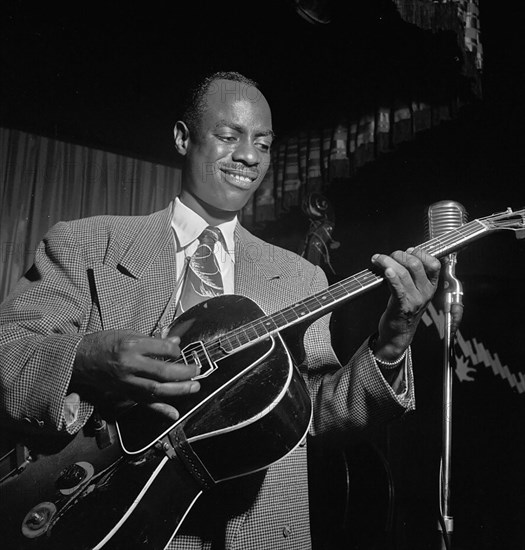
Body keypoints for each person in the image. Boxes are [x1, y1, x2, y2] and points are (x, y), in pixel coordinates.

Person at [0, 71, 440, 549]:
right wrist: (86, 357)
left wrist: (394, 341)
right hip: (101, 521)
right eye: (229, 136)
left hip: (254, 532)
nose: (249, 156)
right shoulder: (86, 243)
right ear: (183, 137)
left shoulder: (300, 277)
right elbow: (9, 354)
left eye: (264, 144)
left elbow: (316, 413)